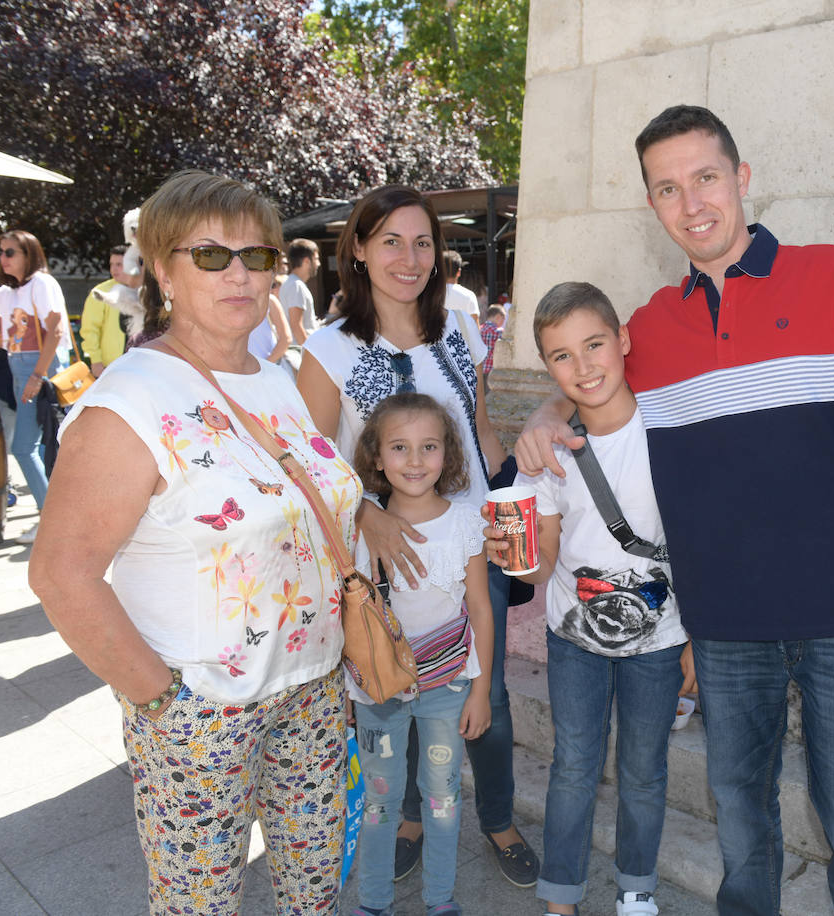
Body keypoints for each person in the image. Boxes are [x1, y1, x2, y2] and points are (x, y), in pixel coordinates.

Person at [517, 104, 834, 916]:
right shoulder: (649, 324)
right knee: (743, 829)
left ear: (742, 179)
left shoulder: (832, 273)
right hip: (723, 627)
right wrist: (546, 412)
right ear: (654, 205)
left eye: (706, 177)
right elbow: (589, 374)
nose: (693, 203)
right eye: (668, 189)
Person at [27, 169, 361, 915]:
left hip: (312, 690)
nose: (239, 273)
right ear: (163, 271)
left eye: (258, 255)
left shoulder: (279, 378)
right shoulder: (131, 399)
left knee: (315, 895)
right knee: (199, 905)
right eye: (211, 255)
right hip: (204, 709)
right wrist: (162, 701)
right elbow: (60, 574)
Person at [298, 185, 538, 888]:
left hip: (468, 544)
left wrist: (518, 503)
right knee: (394, 686)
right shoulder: (329, 350)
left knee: (481, 689)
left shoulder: (460, 331)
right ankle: (407, 815)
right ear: (362, 251)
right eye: (392, 242)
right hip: (386, 559)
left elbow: (482, 433)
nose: (409, 258)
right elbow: (311, 465)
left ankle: (497, 817)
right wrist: (365, 513)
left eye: (423, 242)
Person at [494, 282, 693, 916]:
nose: (582, 368)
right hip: (572, 639)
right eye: (560, 356)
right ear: (547, 366)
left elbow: (699, 547)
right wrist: (517, 561)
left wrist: (698, 643)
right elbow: (544, 560)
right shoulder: (544, 454)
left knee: (643, 771)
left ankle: (637, 888)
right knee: (573, 766)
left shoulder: (671, 434)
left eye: (594, 344)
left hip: (660, 643)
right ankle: (560, 897)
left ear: (623, 340)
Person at [348, 393, 494, 916]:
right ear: (377, 457)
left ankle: (440, 901)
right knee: (381, 802)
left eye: (428, 447)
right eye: (400, 447)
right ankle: (373, 903)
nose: (414, 461)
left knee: (443, 798)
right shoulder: (361, 527)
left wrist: (481, 690)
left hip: (448, 688)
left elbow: (479, 609)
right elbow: (350, 615)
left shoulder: (463, 524)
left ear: (447, 453)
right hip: (378, 692)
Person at [0, 229, 73, 542]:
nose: (3, 258)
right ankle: (55, 516)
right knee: (39, 446)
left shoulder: (41, 283)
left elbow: (55, 333)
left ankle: (51, 520)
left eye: (10, 252)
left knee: (24, 448)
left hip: (38, 368)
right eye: (1, 252)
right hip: (19, 368)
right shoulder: (9, 291)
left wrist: (37, 377)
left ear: (29, 254)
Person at [79, 244, 143, 376]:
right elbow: (90, 329)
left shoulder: (143, 290)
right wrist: (96, 361)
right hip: (110, 366)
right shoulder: (100, 292)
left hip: (139, 363)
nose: (114, 269)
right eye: (111, 264)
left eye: (119, 264)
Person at [282, 237, 321, 345]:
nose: (319, 264)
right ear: (306, 261)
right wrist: (310, 355)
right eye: (316, 259)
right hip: (300, 353)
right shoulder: (296, 286)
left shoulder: (293, 283)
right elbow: (297, 326)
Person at [443, 249, 481, 329]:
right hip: (461, 340)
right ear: (459, 272)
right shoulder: (469, 295)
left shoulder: (430, 295)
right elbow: (475, 328)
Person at [479, 304, 505, 379]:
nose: (504, 322)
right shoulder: (500, 332)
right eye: (503, 318)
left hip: (479, 370)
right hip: (492, 371)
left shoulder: (479, 329)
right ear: (498, 317)